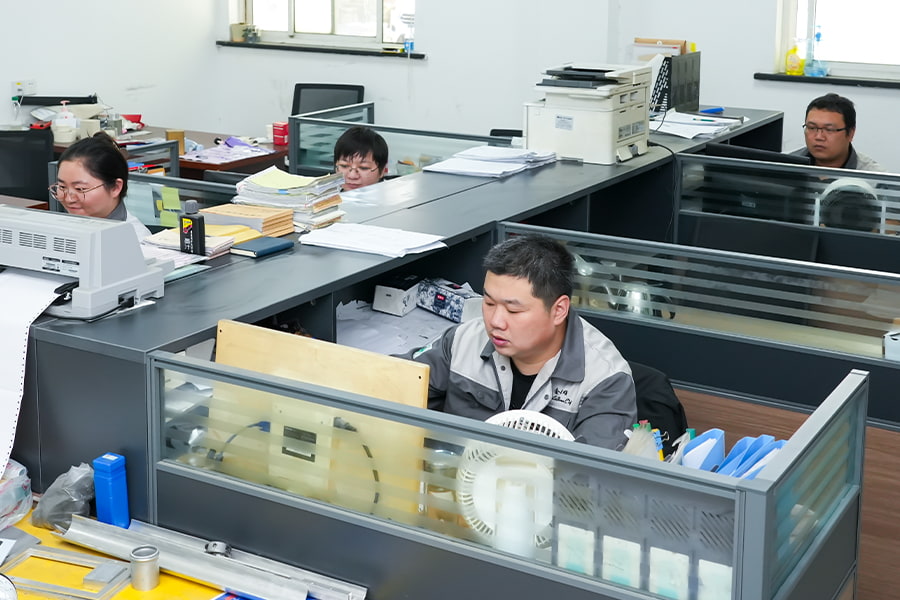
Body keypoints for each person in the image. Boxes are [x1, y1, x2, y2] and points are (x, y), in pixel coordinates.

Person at [409, 234, 637, 449]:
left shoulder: (605, 380)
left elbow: (592, 472)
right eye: (489, 303)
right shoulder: (461, 341)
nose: (495, 321)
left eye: (513, 310)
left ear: (558, 310)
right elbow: (398, 384)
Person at [52, 132, 151, 239]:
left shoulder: (136, 240)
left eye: (80, 189)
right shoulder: (59, 229)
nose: (68, 199)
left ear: (115, 187)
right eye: (62, 187)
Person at [798, 93, 883, 171]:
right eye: (812, 128)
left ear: (850, 133)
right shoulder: (790, 164)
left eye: (829, 129)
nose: (819, 137)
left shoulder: (873, 176)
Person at [333, 126, 389, 191]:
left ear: (382, 171)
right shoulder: (327, 195)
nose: (352, 176)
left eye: (363, 168)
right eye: (344, 166)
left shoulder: (394, 195)